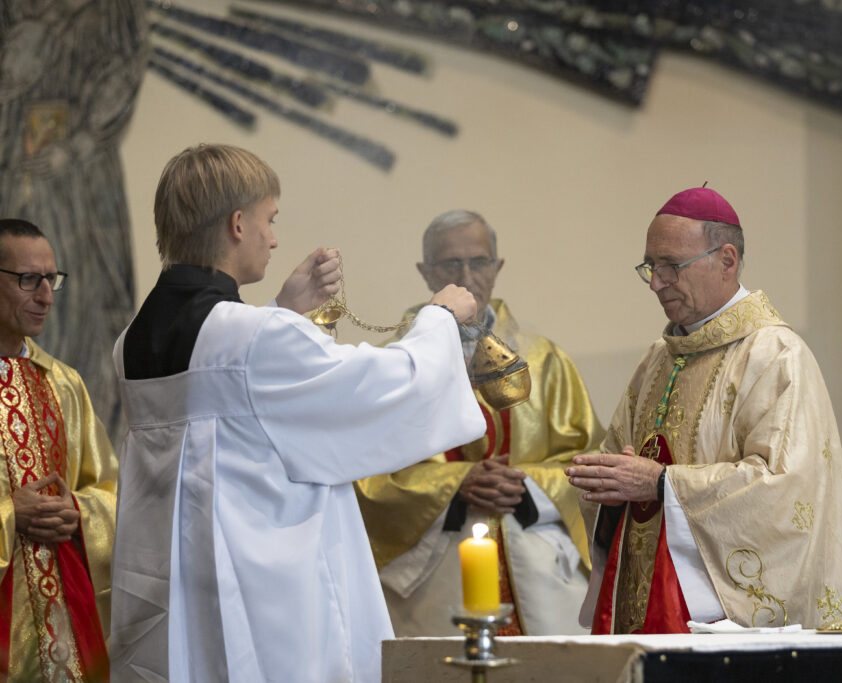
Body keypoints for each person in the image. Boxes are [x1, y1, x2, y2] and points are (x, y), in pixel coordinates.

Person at [107, 145, 485, 682]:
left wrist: (283, 311)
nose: (274, 238)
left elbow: (228, 398)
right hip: (263, 603)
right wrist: (440, 319)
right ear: (238, 224)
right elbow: (383, 390)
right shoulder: (256, 336)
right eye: (270, 219)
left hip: (173, 599)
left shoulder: (130, 342)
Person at [566, 187, 842, 633]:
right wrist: (609, 485)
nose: (656, 282)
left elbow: (783, 490)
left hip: (719, 622)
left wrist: (662, 484)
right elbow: (623, 467)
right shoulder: (658, 359)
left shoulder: (775, 355)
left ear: (727, 260)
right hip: (646, 605)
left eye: (671, 266)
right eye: (650, 267)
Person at [356, 210, 603, 635]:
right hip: (431, 569)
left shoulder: (545, 360)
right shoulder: (391, 365)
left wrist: (525, 485)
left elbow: (590, 461)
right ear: (425, 271)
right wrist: (456, 484)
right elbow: (362, 473)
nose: (467, 276)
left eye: (479, 261)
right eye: (451, 263)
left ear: (498, 266)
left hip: (537, 559)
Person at [0, 218, 117, 681]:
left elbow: (108, 491)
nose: (47, 296)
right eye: (29, 279)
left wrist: (78, 512)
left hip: (68, 630)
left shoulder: (64, 384)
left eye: (52, 279)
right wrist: (10, 513)